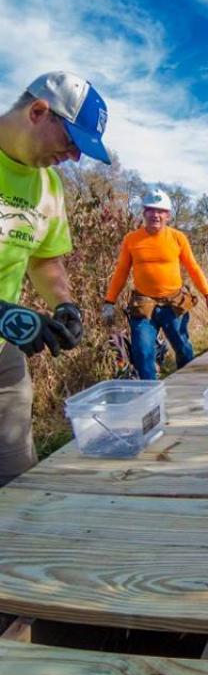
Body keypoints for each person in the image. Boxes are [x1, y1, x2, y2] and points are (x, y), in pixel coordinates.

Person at [0, 70, 110, 486]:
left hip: (3, 359)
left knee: (18, 484)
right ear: (39, 111)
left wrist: (65, 305)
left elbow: (44, 261)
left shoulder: (49, 186)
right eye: (71, 142)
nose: (74, 157)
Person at [102, 189, 208, 379]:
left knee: (182, 347)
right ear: (144, 213)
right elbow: (121, 271)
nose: (155, 215)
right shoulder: (131, 239)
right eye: (151, 210)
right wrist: (109, 301)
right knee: (142, 352)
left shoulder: (177, 237)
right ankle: (151, 397)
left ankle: (188, 382)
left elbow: (193, 267)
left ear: (168, 215)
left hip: (173, 305)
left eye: (161, 211)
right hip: (143, 306)